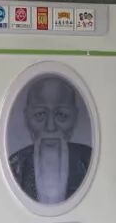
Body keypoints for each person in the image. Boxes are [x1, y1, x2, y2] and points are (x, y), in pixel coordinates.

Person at [7, 75, 92, 204]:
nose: (50, 127)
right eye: (40, 114)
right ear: (27, 117)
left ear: (74, 116)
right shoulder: (14, 167)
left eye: (61, 114)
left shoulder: (89, 161)